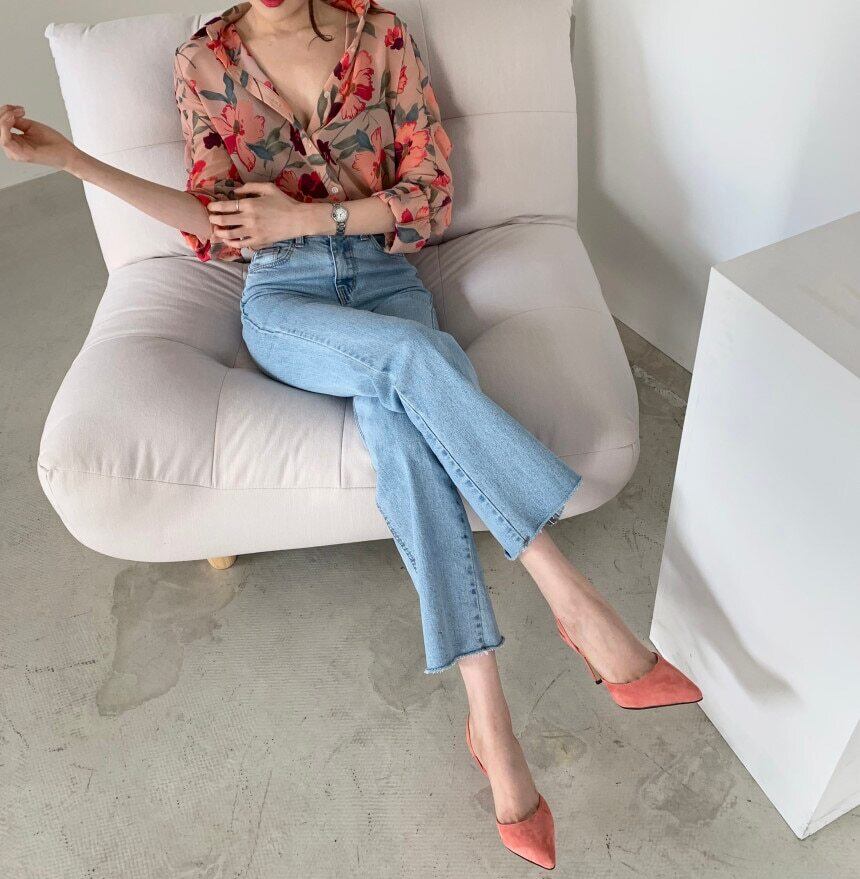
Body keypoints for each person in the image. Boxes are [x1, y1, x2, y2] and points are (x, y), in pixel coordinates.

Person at [0, 0, 702, 869]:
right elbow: (209, 219)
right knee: (418, 357)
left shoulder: (379, 34)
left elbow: (428, 198)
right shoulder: (204, 61)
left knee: (405, 430)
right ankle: (573, 597)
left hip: (386, 280)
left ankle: (488, 717)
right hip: (284, 303)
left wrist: (304, 217)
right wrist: (70, 159)